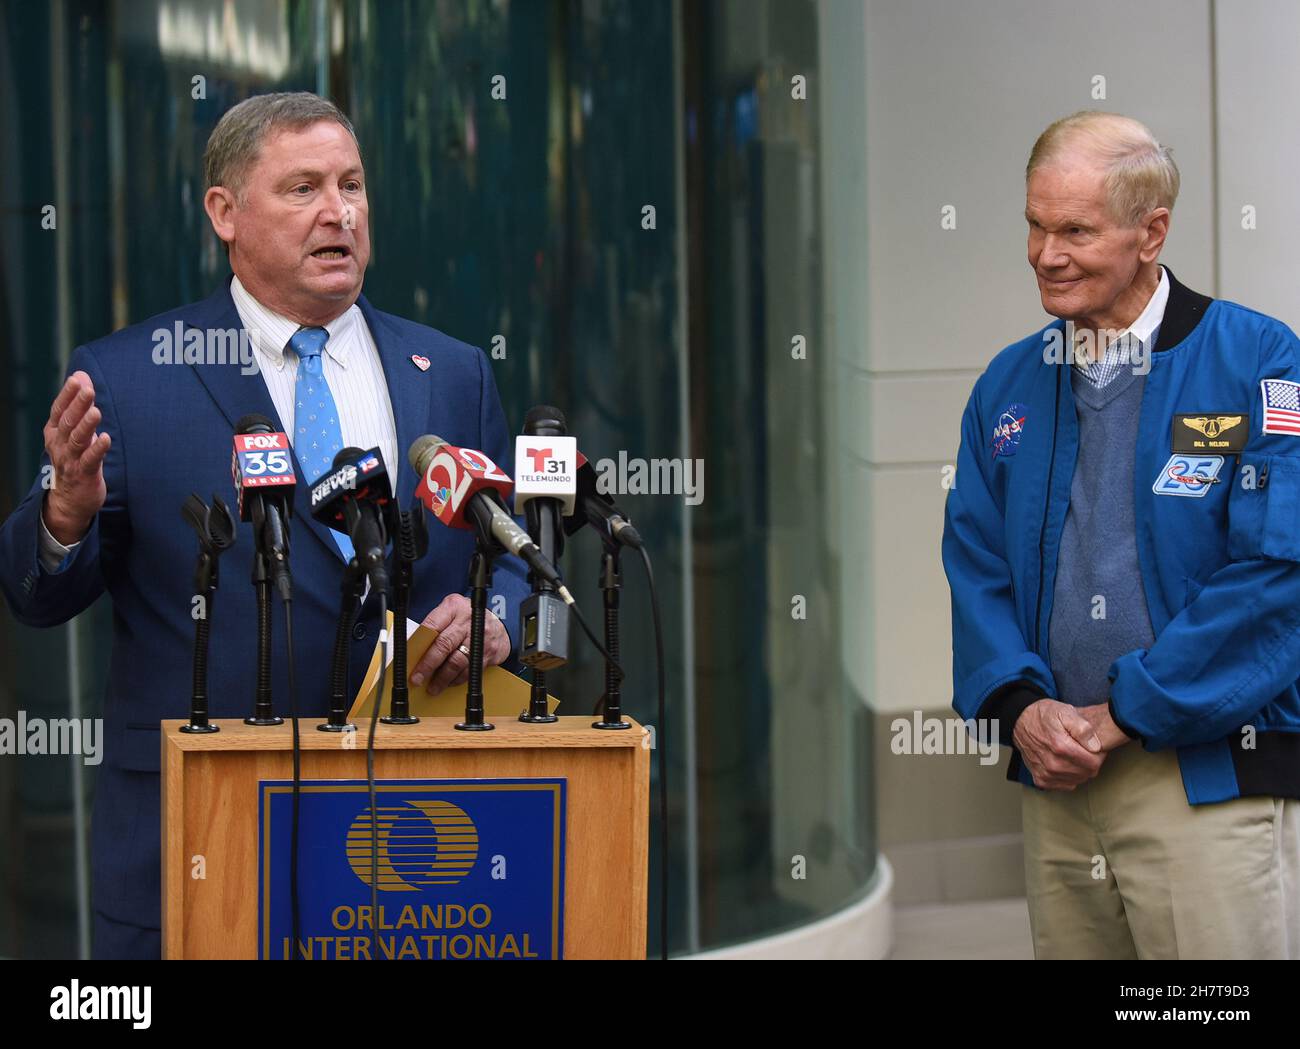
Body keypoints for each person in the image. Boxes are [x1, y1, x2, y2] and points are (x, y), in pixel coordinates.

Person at [0, 92, 530, 959]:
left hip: (418, 844)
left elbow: (513, 559)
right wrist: (65, 512)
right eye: (304, 188)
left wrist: (500, 619)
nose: (340, 211)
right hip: (202, 841)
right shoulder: (129, 380)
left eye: (352, 185)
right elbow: (34, 590)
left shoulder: (453, 373)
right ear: (225, 212)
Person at [942, 110, 1300, 959]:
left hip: (1207, 783)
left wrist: (1125, 712)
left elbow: (1278, 575)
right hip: (1058, 783)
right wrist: (1022, 707)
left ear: (1152, 232)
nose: (1045, 253)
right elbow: (975, 560)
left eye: (1074, 230)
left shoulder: (1262, 362)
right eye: (1034, 224)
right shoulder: (1010, 382)